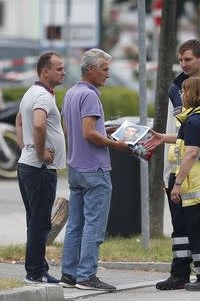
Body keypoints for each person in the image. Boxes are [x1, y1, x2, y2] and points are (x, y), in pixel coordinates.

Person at [145, 39, 200, 290]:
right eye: (180, 60)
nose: (182, 64)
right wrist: (163, 140)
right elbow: (183, 134)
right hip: (180, 170)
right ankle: (181, 273)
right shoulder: (177, 91)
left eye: (188, 59)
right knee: (183, 227)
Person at [59, 48, 128, 291]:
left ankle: (68, 274)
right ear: (91, 70)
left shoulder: (70, 93)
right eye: (105, 69)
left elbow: (73, 131)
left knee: (75, 225)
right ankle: (87, 276)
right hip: (94, 169)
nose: (108, 75)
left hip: (76, 167)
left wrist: (104, 131)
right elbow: (88, 133)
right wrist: (115, 144)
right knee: (93, 226)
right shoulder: (90, 96)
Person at [15, 52, 66, 284]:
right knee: (40, 221)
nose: (63, 72)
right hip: (39, 169)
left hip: (28, 165)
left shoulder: (31, 93)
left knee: (34, 220)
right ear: (45, 72)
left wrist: (24, 146)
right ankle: (35, 272)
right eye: (59, 69)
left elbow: (19, 120)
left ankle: (35, 269)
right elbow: (37, 123)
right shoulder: (43, 96)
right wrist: (39, 152)